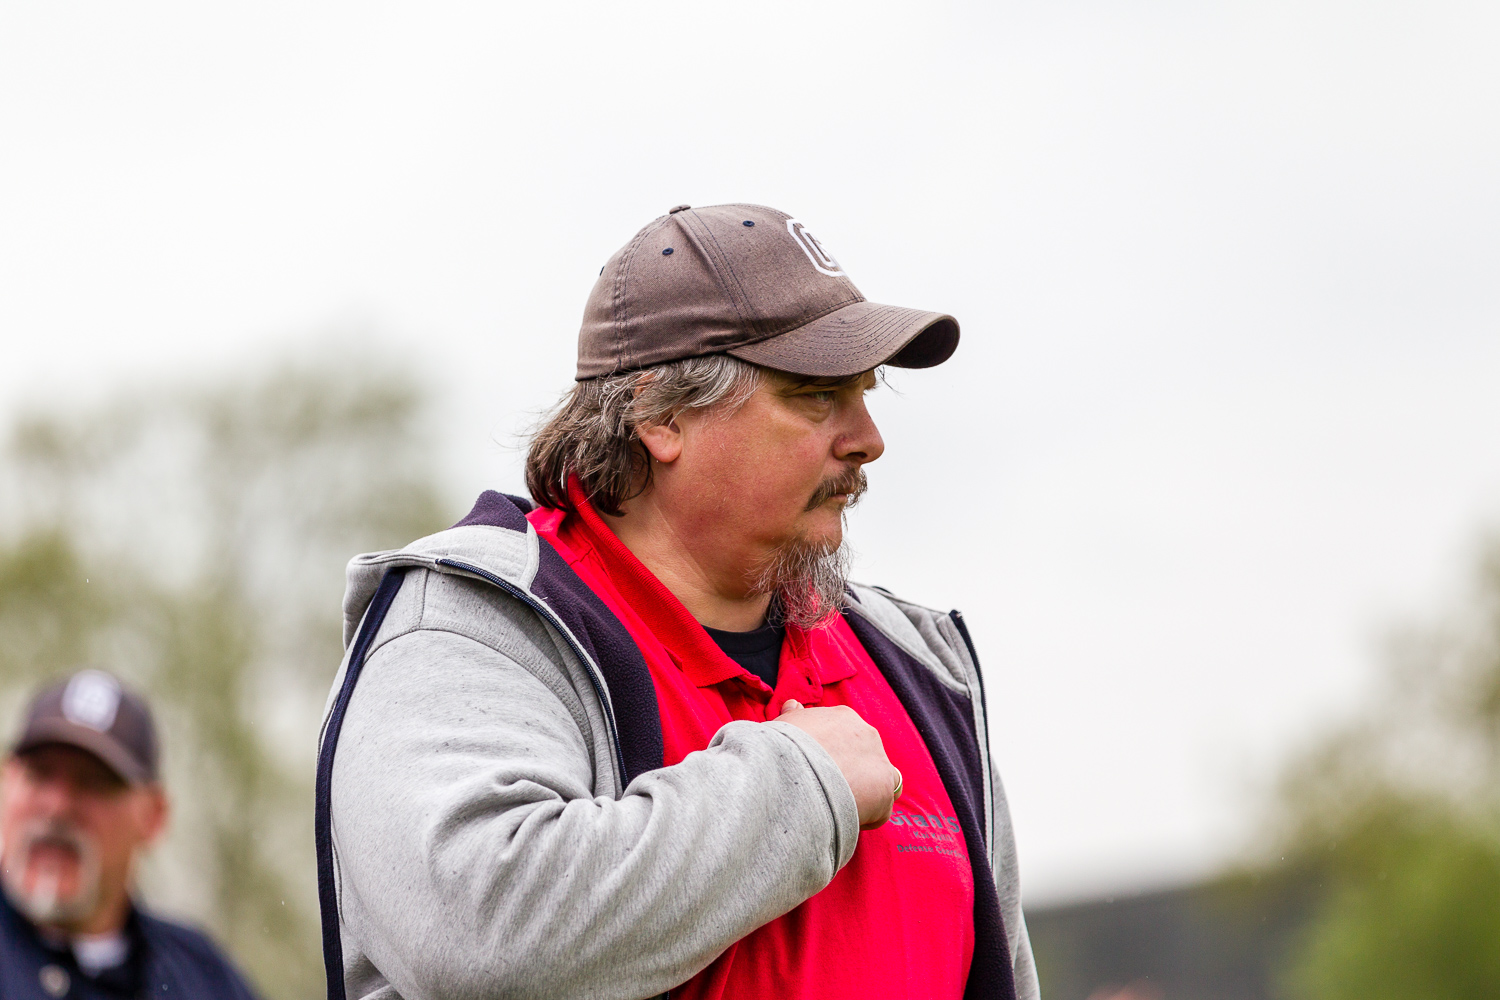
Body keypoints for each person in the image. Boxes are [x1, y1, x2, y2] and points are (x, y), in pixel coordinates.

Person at [317, 203, 1039, 1000]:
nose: (867, 437)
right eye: (815, 395)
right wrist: (802, 785)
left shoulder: (919, 669)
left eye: (864, 393)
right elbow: (475, 932)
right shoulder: (473, 623)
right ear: (661, 416)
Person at [0, 669, 261, 999]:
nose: (58, 807)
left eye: (92, 783)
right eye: (40, 774)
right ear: (6, 780)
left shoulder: (203, 978)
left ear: (153, 817)